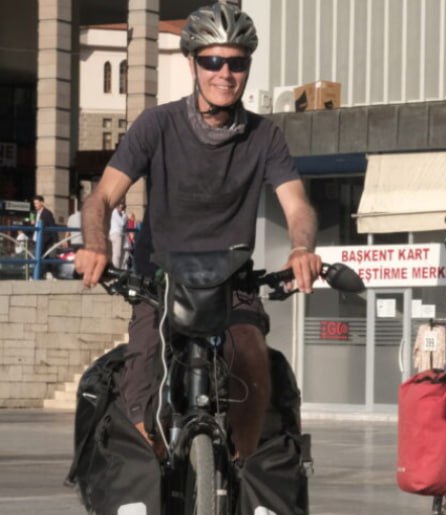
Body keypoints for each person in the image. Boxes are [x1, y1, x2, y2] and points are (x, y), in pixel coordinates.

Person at [74, 3, 320, 461]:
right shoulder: (156, 125)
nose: (224, 73)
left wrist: (302, 248)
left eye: (236, 62)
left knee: (251, 352)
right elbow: (103, 197)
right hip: (159, 280)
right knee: (142, 386)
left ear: (247, 67)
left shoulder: (266, 137)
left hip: (231, 280)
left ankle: (242, 469)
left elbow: (296, 203)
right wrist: (95, 244)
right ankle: (154, 478)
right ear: (192, 63)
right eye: (212, 61)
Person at [32, 196, 59, 263]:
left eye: (36, 203)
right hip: (36, 239)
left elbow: (52, 226)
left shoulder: (47, 213)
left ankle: (44, 271)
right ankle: (43, 271)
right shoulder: (35, 213)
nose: (35, 205)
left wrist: (55, 241)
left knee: (42, 257)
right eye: (34, 203)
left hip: (44, 239)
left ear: (42, 203)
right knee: (38, 257)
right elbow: (34, 225)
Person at [109, 202, 126, 268]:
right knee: (117, 254)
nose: (121, 209)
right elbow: (122, 223)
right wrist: (124, 216)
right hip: (116, 234)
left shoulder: (115, 213)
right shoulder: (115, 212)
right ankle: (116, 269)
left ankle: (117, 268)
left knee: (117, 253)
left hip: (116, 234)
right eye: (120, 207)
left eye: (122, 208)